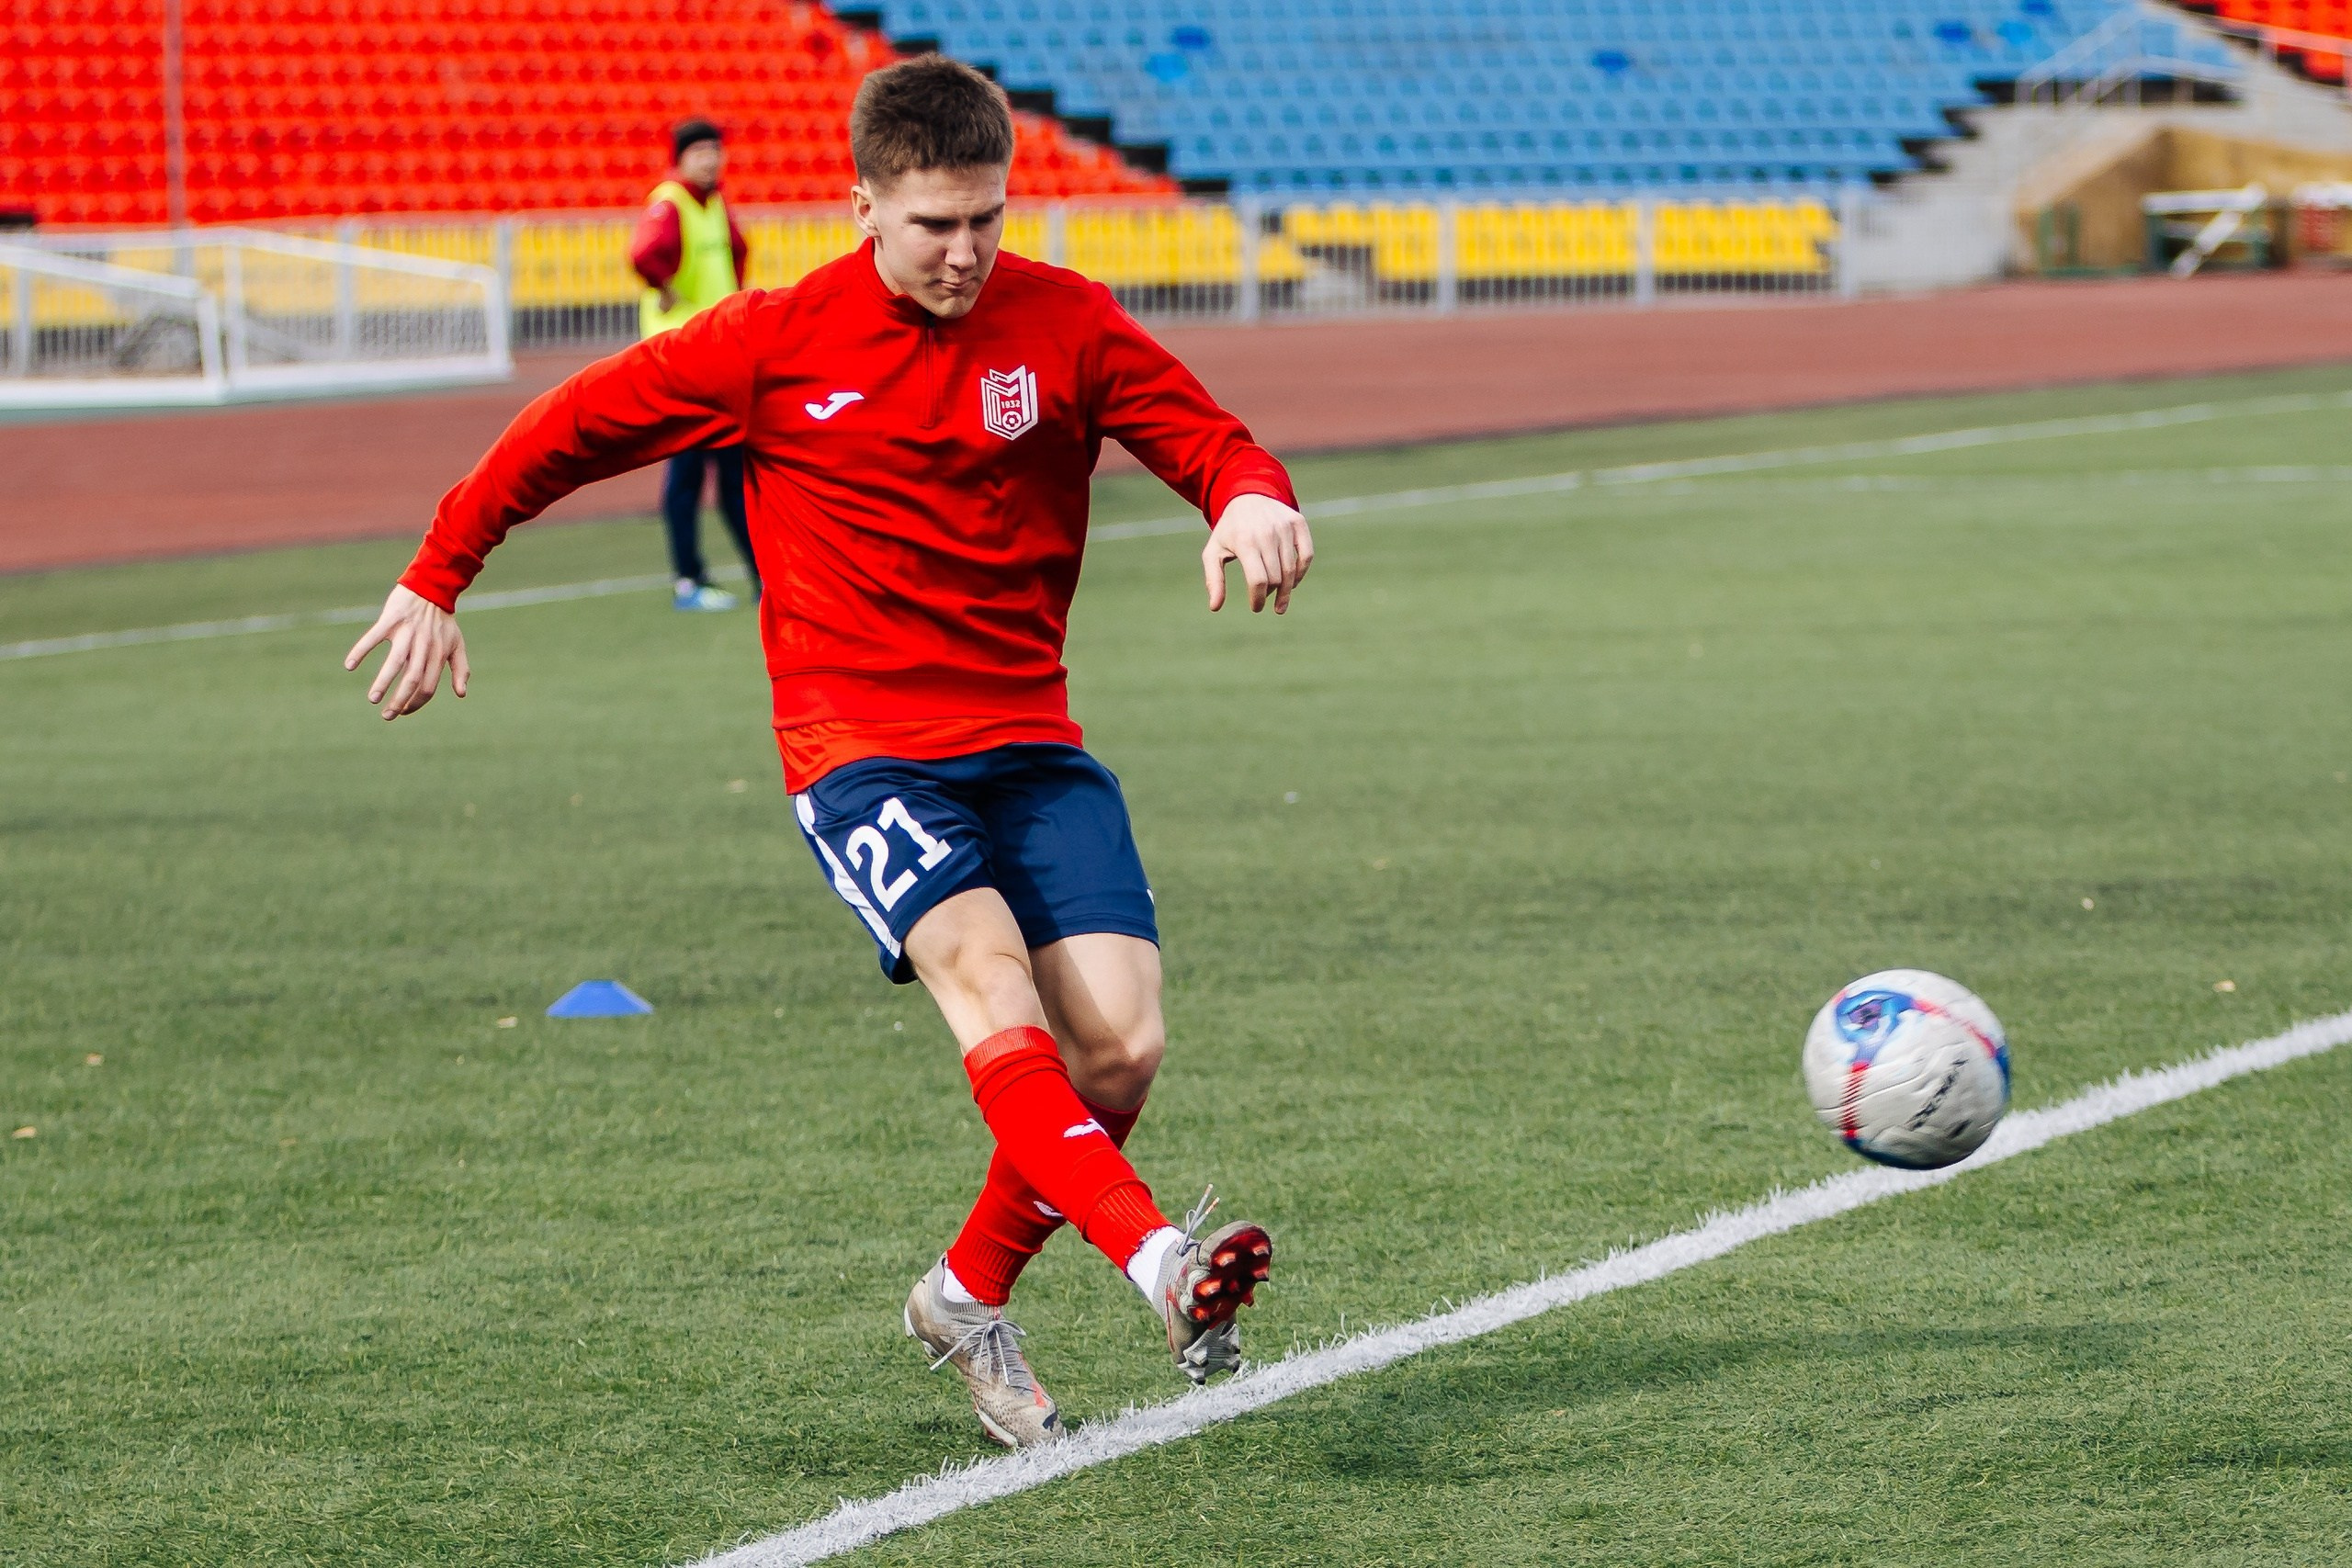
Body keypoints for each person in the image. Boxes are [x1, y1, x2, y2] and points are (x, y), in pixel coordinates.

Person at [342, 56, 1313, 1451]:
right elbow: (565, 430)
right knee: (991, 986)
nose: (966, 252)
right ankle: (1165, 1268)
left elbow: (1211, 441)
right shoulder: (772, 340)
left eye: (986, 218)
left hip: (1032, 742)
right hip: (861, 751)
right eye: (933, 225)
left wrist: (1252, 500)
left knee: (1122, 1048)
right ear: (862, 205)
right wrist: (440, 571)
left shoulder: (1066, 324)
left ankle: (966, 1294)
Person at [630, 117, 760, 612]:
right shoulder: (671, 201)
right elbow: (644, 254)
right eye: (701, 151)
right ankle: (689, 580)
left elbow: (739, 252)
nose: (712, 158)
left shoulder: (713, 202)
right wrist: (664, 292)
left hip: (717, 351)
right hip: (680, 356)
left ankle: (760, 575)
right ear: (680, 158)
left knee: (732, 469)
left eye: (716, 149)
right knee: (689, 471)